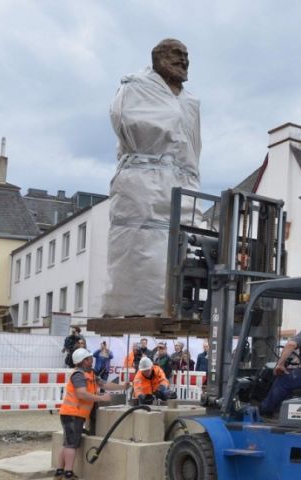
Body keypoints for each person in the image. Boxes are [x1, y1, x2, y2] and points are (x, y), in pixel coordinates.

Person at [104, 38, 202, 317]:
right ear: (157, 58)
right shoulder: (137, 87)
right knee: (145, 243)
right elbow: (128, 120)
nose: (184, 60)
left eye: (186, 55)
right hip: (144, 182)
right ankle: (140, 305)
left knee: (183, 244)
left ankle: (177, 302)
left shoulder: (190, 102)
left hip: (181, 183)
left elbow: (193, 145)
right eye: (176, 54)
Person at [56, 348, 128, 479]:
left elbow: (105, 385)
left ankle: (59, 472)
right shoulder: (78, 375)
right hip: (72, 414)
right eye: (89, 358)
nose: (92, 359)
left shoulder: (91, 374)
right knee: (72, 444)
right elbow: (81, 393)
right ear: (84, 361)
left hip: (74, 414)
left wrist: (122, 387)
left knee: (67, 443)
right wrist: (102, 399)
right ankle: (68, 474)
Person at [260, 309, 301, 416]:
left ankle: (265, 410)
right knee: (292, 378)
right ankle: (282, 411)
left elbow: (290, 345)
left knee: (283, 380)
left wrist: (280, 364)